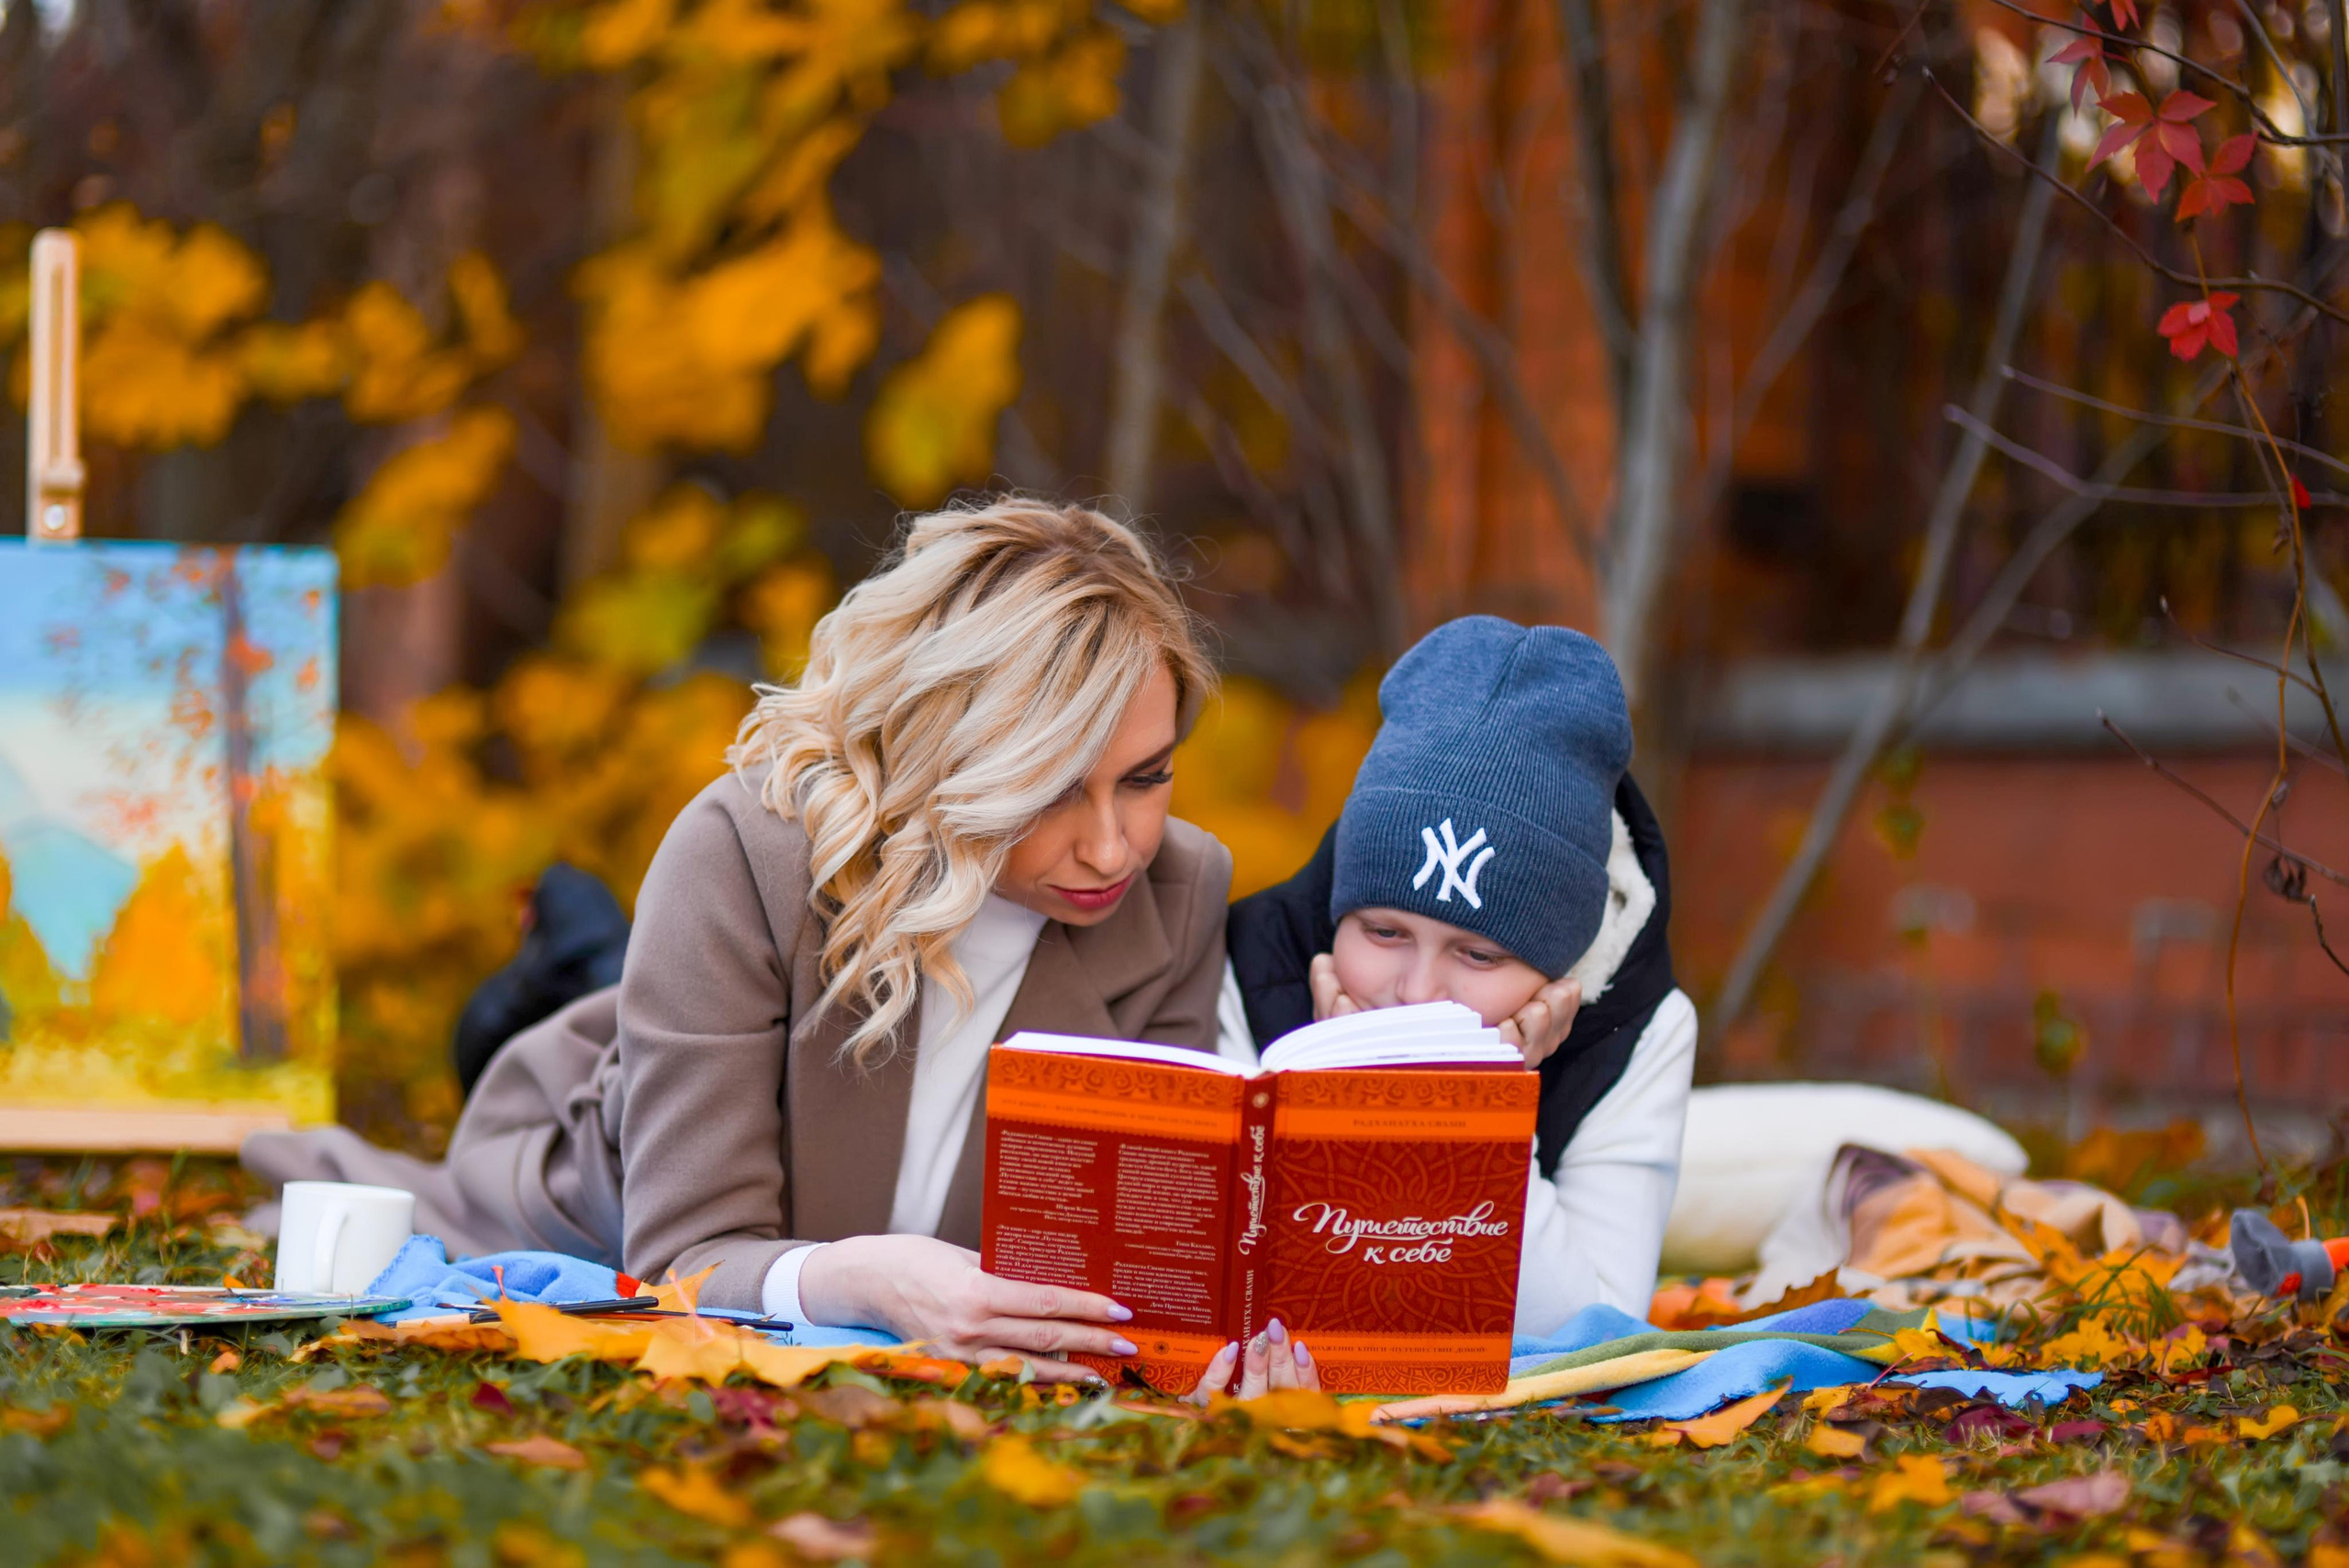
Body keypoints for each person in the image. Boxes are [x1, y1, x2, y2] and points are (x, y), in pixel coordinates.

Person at [244, 497, 1238, 1383]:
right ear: (948, 754)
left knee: (615, 980)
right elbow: (688, 1258)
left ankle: (589, 955)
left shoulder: (1179, 889)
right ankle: (563, 955)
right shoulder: (742, 848)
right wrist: (870, 1275)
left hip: (713, 1038)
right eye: (1055, 787)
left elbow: (1146, 1259)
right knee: (583, 1019)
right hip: (598, 1172)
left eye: (1145, 778)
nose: (1115, 845)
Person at [1203, 616, 1695, 1398]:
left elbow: (1583, 1340)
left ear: (1558, 964)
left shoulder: (1640, 1026)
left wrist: (1477, 1111)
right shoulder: (1253, 954)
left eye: (1478, 954)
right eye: (1385, 930)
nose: (1417, 991)